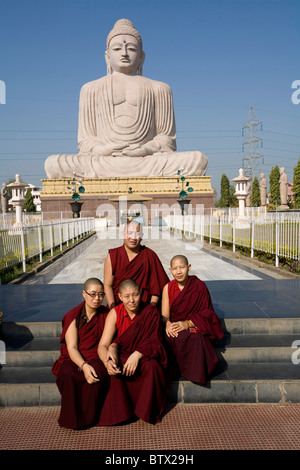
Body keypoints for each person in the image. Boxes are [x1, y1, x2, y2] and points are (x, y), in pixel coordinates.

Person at [44, 18, 207, 179]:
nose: (124, 53)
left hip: (147, 160)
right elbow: (86, 140)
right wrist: (103, 149)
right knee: (54, 164)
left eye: (131, 49)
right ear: (107, 57)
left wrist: (146, 149)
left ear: (142, 57)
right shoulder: (90, 89)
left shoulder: (160, 88)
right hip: (104, 160)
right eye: (117, 49)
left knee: (197, 160)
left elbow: (167, 139)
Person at [97, 278, 168, 426]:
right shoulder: (115, 313)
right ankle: (122, 413)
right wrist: (107, 361)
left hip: (144, 355)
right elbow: (103, 345)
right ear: (120, 297)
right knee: (116, 366)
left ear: (141, 294)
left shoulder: (150, 312)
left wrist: (137, 354)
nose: (132, 300)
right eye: (127, 296)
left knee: (153, 367)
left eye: (135, 295)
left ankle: (145, 411)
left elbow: (156, 341)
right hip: (123, 354)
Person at [52, 278, 110, 429]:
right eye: (92, 294)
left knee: (97, 370)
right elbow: (72, 348)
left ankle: (91, 417)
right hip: (76, 357)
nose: (97, 298)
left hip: (97, 354)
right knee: (67, 372)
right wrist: (83, 365)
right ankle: (72, 419)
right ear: (84, 294)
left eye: (100, 294)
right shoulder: (73, 316)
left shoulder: (106, 314)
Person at [161, 255, 224, 384]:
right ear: (170, 270)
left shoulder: (199, 286)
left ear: (188, 268)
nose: (178, 272)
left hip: (193, 324)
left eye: (182, 267)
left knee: (194, 337)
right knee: (170, 337)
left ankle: (194, 372)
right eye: (175, 268)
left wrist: (188, 323)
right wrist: (167, 324)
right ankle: (179, 370)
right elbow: (164, 315)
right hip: (175, 325)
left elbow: (207, 313)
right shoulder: (168, 287)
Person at [104, 220, 169, 309]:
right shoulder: (113, 256)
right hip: (119, 306)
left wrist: (151, 308)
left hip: (145, 307)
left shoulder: (149, 255)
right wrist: (114, 309)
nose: (133, 237)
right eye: (130, 233)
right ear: (123, 235)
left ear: (141, 236)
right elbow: (107, 285)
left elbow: (157, 288)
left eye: (137, 233)